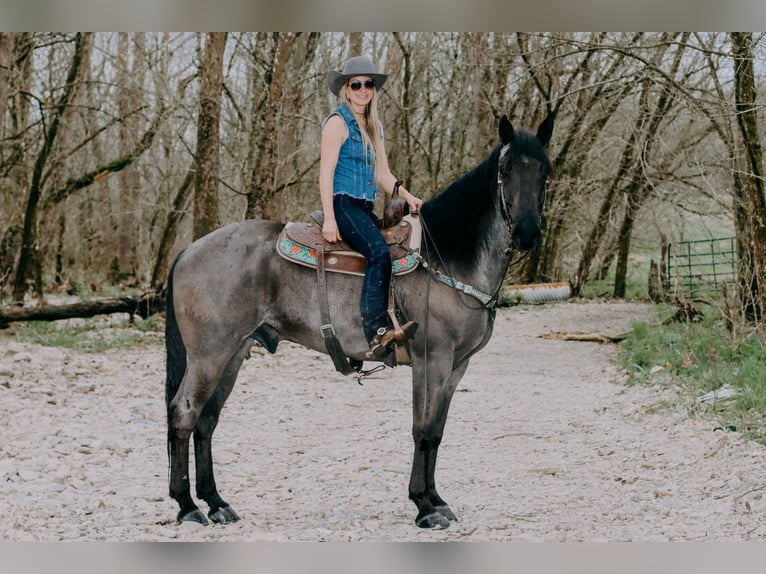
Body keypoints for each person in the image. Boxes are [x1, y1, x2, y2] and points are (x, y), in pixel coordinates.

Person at [319, 55, 422, 360]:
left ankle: (391, 318)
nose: (364, 90)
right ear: (346, 89)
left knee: (392, 252)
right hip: (343, 203)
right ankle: (376, 332)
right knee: (378, 253)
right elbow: (325, 173)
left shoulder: (373, 126)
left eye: (369, 84)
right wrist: (329, 217)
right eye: (357, 84)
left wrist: (410, 196)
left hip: (364, 207)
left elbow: (382, 175)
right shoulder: (337, 124)